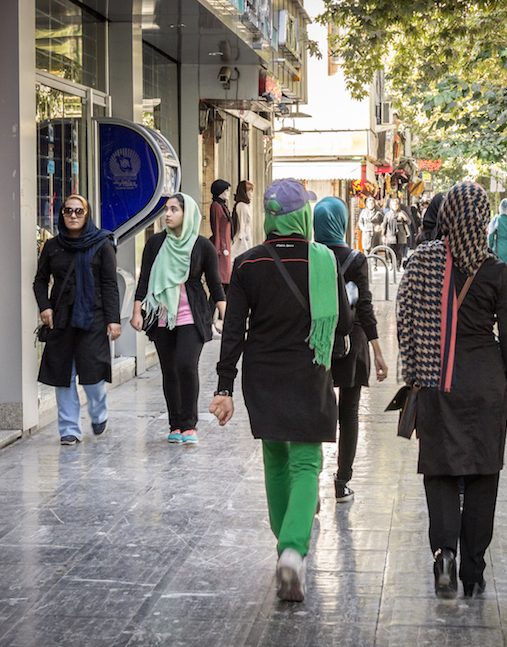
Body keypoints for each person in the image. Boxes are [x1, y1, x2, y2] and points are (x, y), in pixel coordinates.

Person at [210, 179, 352, 603]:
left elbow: (233, 331)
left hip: (263, 377)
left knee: (275, 456)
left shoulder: (248, 263)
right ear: (303, 216)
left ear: (270, 218)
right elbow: (344, 324)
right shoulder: (323, 259)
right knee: (306, 462)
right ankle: (292, 548)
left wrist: (224, 387)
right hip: (310, 373)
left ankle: (285, 541)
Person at [397, 182, 507, 599]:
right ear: (483, 219)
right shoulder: (495, 271)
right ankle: (473, 570)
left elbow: (405, 323)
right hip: (487, 385)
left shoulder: (422, 262)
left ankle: (445, 554)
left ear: (448, 217)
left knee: (440, 469)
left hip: (438, 379)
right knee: (483, 474)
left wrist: (413, 376)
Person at [131, 193, 225, 445]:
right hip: (162, 315)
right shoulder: (155, 243)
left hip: (191, 316)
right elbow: (145, 279)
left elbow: (215, 285)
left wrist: (228, 316)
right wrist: (137, 310)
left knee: (186, 365)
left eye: (174, 209)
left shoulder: (202, 246)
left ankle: (189, 425)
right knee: (169, 371)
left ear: (187, 213)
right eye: (166, 209)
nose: (168, 214)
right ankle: (175, 425)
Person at [313, 197, 389, 502]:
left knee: (316, 410)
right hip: (351, 342)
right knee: (349, 412)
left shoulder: (311, 256)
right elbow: (365, 306)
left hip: (318, 341)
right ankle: (342, 482)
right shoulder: (356, 258)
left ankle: (311, 483)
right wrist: (378, 351)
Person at [34, 195, 121, 445]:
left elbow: (109, 284)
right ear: (62, 214)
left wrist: (113, 319)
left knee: (93, 375)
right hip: (61, 318)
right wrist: (45, 307)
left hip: (93, 316)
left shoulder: (101, 243)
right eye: (68, 211)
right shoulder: (52, 246)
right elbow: (40, 280)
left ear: (87, 214)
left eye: (79, 211)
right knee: (62, 375)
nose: (73, 215)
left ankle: (99, 412)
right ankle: (69, 429)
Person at [209, 179, 234, 328]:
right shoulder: (216, 206)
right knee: (219, 283)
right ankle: (211, 320)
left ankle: (218, 319)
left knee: (224, 283)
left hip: (226, 248)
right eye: (226, 190)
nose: (228, 193)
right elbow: (216, 228)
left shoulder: (223, 206)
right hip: (221, 250)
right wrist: (217, 249)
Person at [384, 198, 411, 267]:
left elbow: (409, 222)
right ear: (391, 205)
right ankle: (391, 263)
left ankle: (398, 266)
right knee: (390, 250)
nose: (395, 206)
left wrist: (404, 217)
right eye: (393, 204)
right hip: (390, 235)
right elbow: (384, 225)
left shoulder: (402, 213)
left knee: (399, 252)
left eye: (396, 204)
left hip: (400, 235)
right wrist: (383, 235)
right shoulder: (388, 214)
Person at [231, 180, 255, 258]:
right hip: (243, 236)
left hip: (246, 234)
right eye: (250, 191)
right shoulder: (241, 205)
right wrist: (241, 236)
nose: (252, 194)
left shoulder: (246, 205)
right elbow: (242, 223)